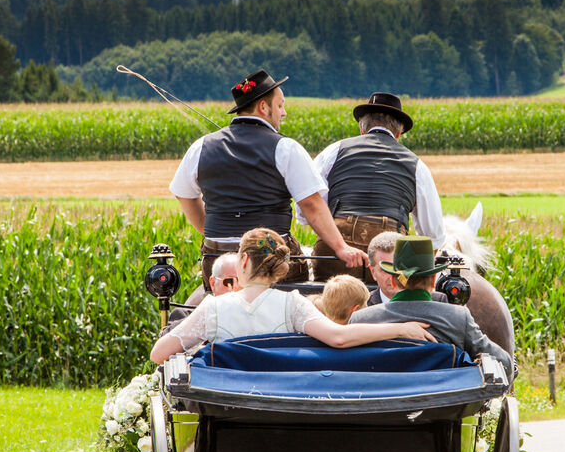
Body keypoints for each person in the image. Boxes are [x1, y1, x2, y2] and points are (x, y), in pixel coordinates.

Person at [169, 68, 367, 290]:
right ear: (263, 107)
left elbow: (184, 195)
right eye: (280, 105)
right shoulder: (285, 148)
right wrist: (340, 247)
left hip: (217, 260)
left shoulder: (201, 146)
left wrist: (213, 232)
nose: (283, 113)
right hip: (268, 262)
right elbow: (311, 204)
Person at [150, 228, 432, 364]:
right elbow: (339, 337)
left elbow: (159, 354)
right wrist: (400, 328)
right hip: (279, 407)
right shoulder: (292, 304)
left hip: (224, 408)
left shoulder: (213, 308)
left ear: (244, 261)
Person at [306, 92, 445, 282]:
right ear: (398, 134)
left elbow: (307, 205)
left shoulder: (334, 150)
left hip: (336, 251)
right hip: (390, 256)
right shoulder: (417, 165)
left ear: (362, 129)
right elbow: (432, 235)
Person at [350, 236, 512, 380]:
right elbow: (504, 363)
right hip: (442, 409)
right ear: (434, 280)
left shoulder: (361, 319)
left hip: (380, 407)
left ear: (393, 281)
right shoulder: (458, 318)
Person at [366, 231, 447, 306]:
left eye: (398, 269)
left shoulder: (438, 301)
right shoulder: (364, 304)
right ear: (373, 272)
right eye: (384, 270)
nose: (392, 277)